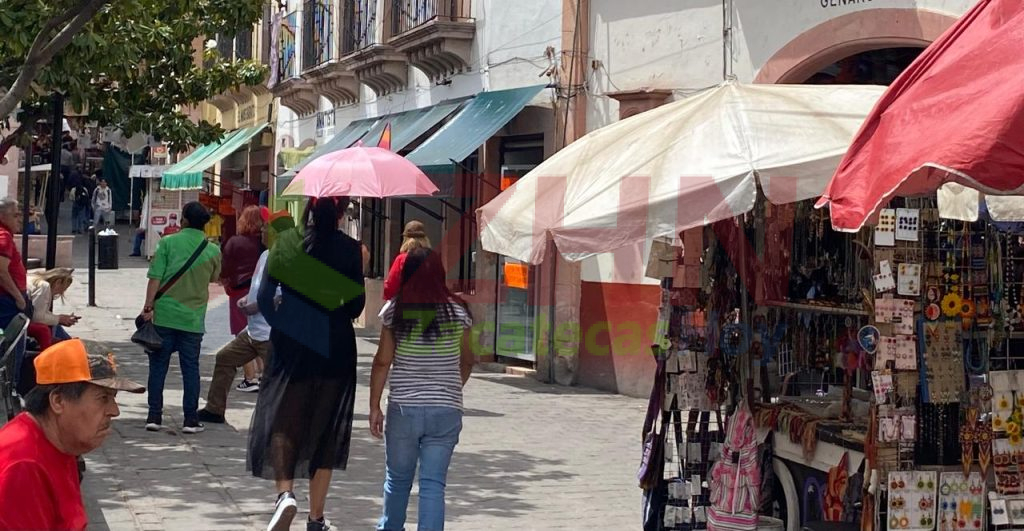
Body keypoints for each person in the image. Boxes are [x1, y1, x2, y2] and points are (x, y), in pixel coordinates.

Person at [249, 196, 365, 531]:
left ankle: (285, 495)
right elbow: (356, 306)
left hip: (291, 342)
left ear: (308, 210)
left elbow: (264, 298)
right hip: (334, 344)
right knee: (325, 430)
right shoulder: (350, 249)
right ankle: (316, 518)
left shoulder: (286, 243)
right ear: (341, 214)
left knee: (284, 419)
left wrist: (286, 320)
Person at [370, 248, 475, 531]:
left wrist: (374, 405)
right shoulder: (458, 311)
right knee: (433, 484)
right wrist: (451, 388)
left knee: (397, 478)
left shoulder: (395, 310)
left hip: (404, 408)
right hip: (446, 411)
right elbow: (468, 360)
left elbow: (382, 361)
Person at [0, 339, 144, 530]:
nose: (114, 411)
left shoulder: (61, 442)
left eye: (113, 398)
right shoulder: (24, 465)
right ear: (58, 401)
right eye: (103, 398)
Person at [139, 201, 221, 434]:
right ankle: (190, 420)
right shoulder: (212, 250)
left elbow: (155, 277)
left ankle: (154, 416)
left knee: (158, 367)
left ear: (184, 219)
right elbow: (215, 277)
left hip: (164, 315)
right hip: (193, 319)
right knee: (190, 369)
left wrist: (148, 306)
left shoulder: (167, 243)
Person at [197, 213, 280, 425]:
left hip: (271, 333)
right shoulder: (265, 254)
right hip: (252, 330)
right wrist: (246, 299)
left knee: (276, 378)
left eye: (267, 228)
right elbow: (257, 285)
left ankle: (278, 420)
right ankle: (215, 409)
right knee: (225, 358)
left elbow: (283, 296)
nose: (262, 231)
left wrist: (256, 305)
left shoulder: (285, 260)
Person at [219, 205, 265, 392]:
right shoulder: (263, 244)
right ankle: (262, 374)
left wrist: (226, 282)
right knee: (259, 331)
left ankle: (250, 377)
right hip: (259, 290)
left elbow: (225, 267)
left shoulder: (234, 242)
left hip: (239, 291)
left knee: (241, 332)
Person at [382, 221, 431, 301]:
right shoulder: (432, 259)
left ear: (406, 239)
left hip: (406, 303)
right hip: (429, 304)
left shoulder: (401, 259)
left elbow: (390, 287)